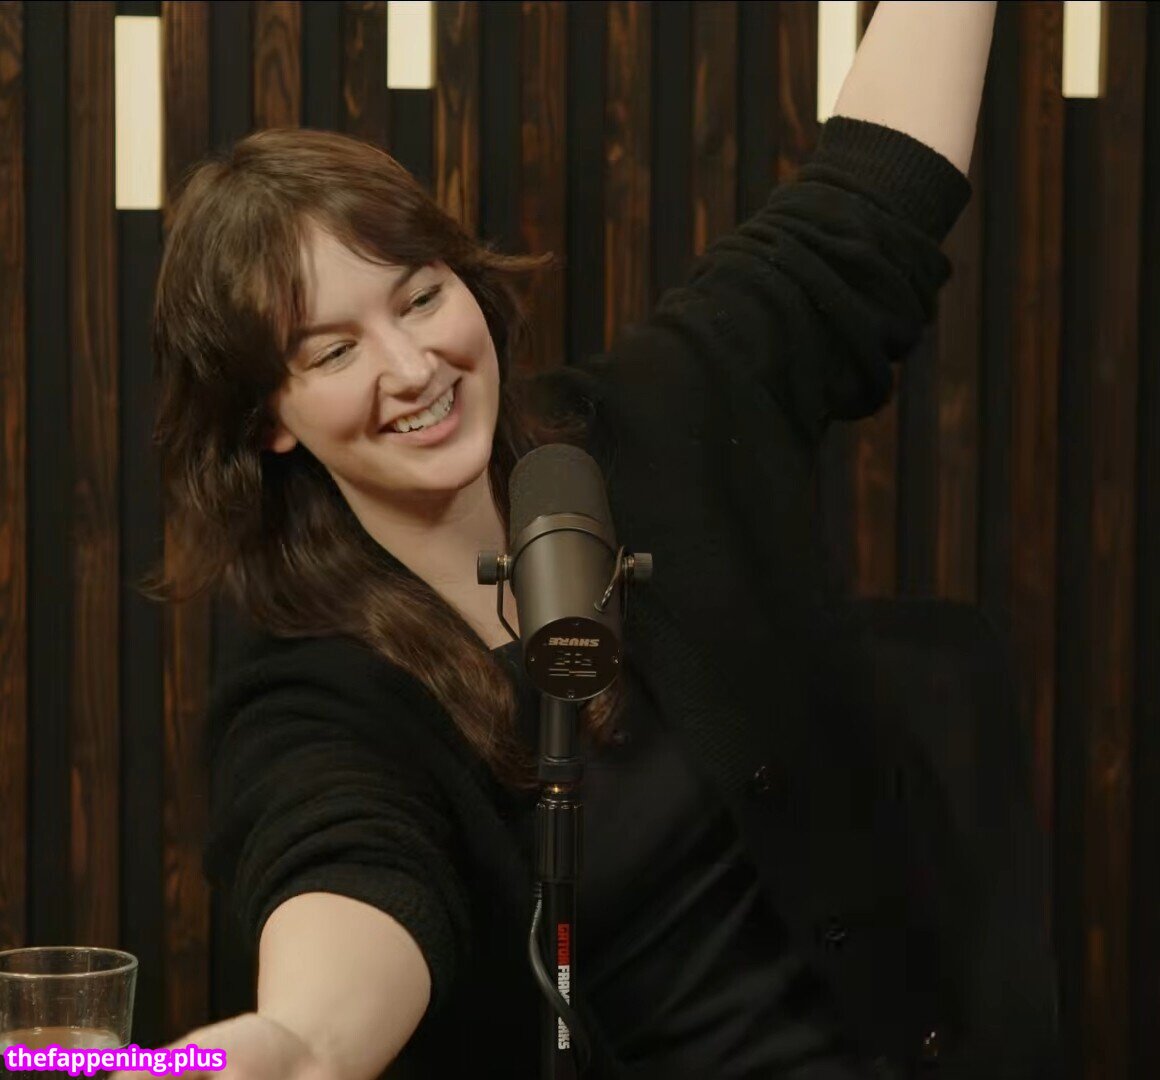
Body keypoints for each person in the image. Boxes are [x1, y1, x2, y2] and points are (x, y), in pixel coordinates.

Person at [115, 3, 1061, 1078]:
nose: (412, 368)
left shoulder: (657, 424)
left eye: (420, 297)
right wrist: (288, 1050)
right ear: (267, 420)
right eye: (333, 353)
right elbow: (342, 891)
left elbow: (867, 205)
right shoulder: (313, 697)